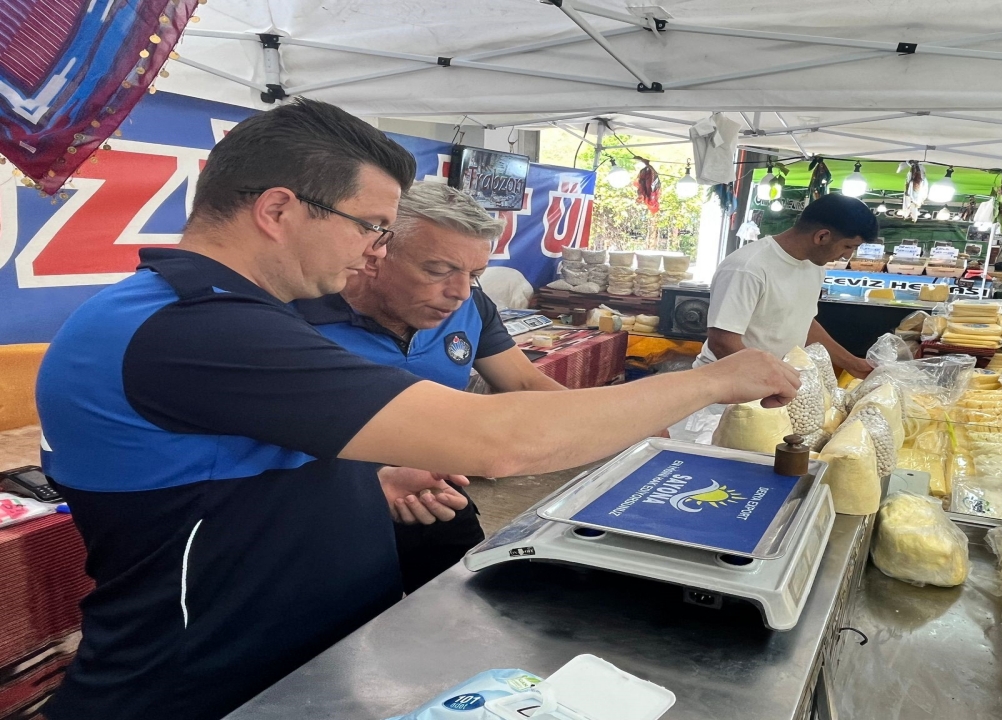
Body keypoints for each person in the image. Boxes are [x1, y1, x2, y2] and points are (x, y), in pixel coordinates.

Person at [34, 98, 799, 720]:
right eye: (369, 226)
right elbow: (498, 441)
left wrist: (360, 478)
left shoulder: (222, 314)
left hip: (297, 663)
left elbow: (224, 468)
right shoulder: (194, 327)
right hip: (205, 688)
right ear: (278, 209)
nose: (374, 250)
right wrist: (710, 381)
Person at [295, 182, 565, 592]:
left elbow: (525, 383)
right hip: (326, 510)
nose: (459, 292)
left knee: (478, 602)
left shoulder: (471, 307)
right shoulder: (292, 318)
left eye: (474, 275)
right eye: (438, 271)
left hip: (437, 494)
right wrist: (371, 484)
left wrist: (630, 424)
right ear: (375, 254)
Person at [695, 193, 878, 376]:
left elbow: (803, 322)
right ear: (822, 236)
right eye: (848, 246)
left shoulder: (814, 267)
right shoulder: (747, 267)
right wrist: (772, 378)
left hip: (773, 383)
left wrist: (853, 364)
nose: (847, 256)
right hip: (725, 384)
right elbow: (722, 342)